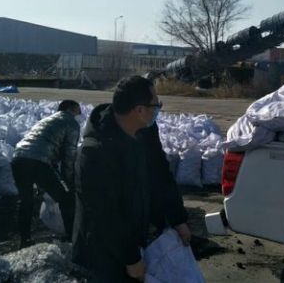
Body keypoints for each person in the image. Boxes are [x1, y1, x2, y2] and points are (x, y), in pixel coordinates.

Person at [73, 75, 190, 283]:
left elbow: (161, 174)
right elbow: (104, 214)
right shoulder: (95, 152)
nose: (157, 109)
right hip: (103, 252)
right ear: (140, 110)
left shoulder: (144, 132)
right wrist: (131, 257)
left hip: (134, 238)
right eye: (156, 103)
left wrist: (177, 218)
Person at [11, 99, 83, 248]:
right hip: (39, 161)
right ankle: (71, 239)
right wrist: (68, 181)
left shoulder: (48, 120)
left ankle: (24, 240)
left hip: (18, 158)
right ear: (70, 110)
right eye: (78, 111)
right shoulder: (71, 123)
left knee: (25, 200)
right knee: (66, 198)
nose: (79, 115)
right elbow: (69, 156)